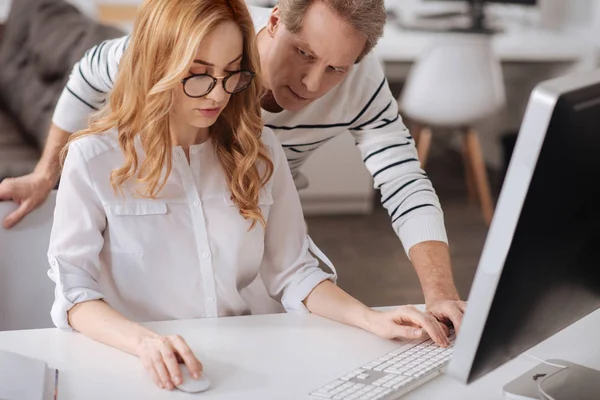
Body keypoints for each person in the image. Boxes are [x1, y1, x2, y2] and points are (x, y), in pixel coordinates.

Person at [47, 0, 451, 391]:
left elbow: (294, 270)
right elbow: (74, 293)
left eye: (231, 74)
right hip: (142, 366)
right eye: (199, 74)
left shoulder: (260, 150)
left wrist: (372, 318)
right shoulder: (95, 158)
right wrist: (144, 342)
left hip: (251, 356)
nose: (217, 96)